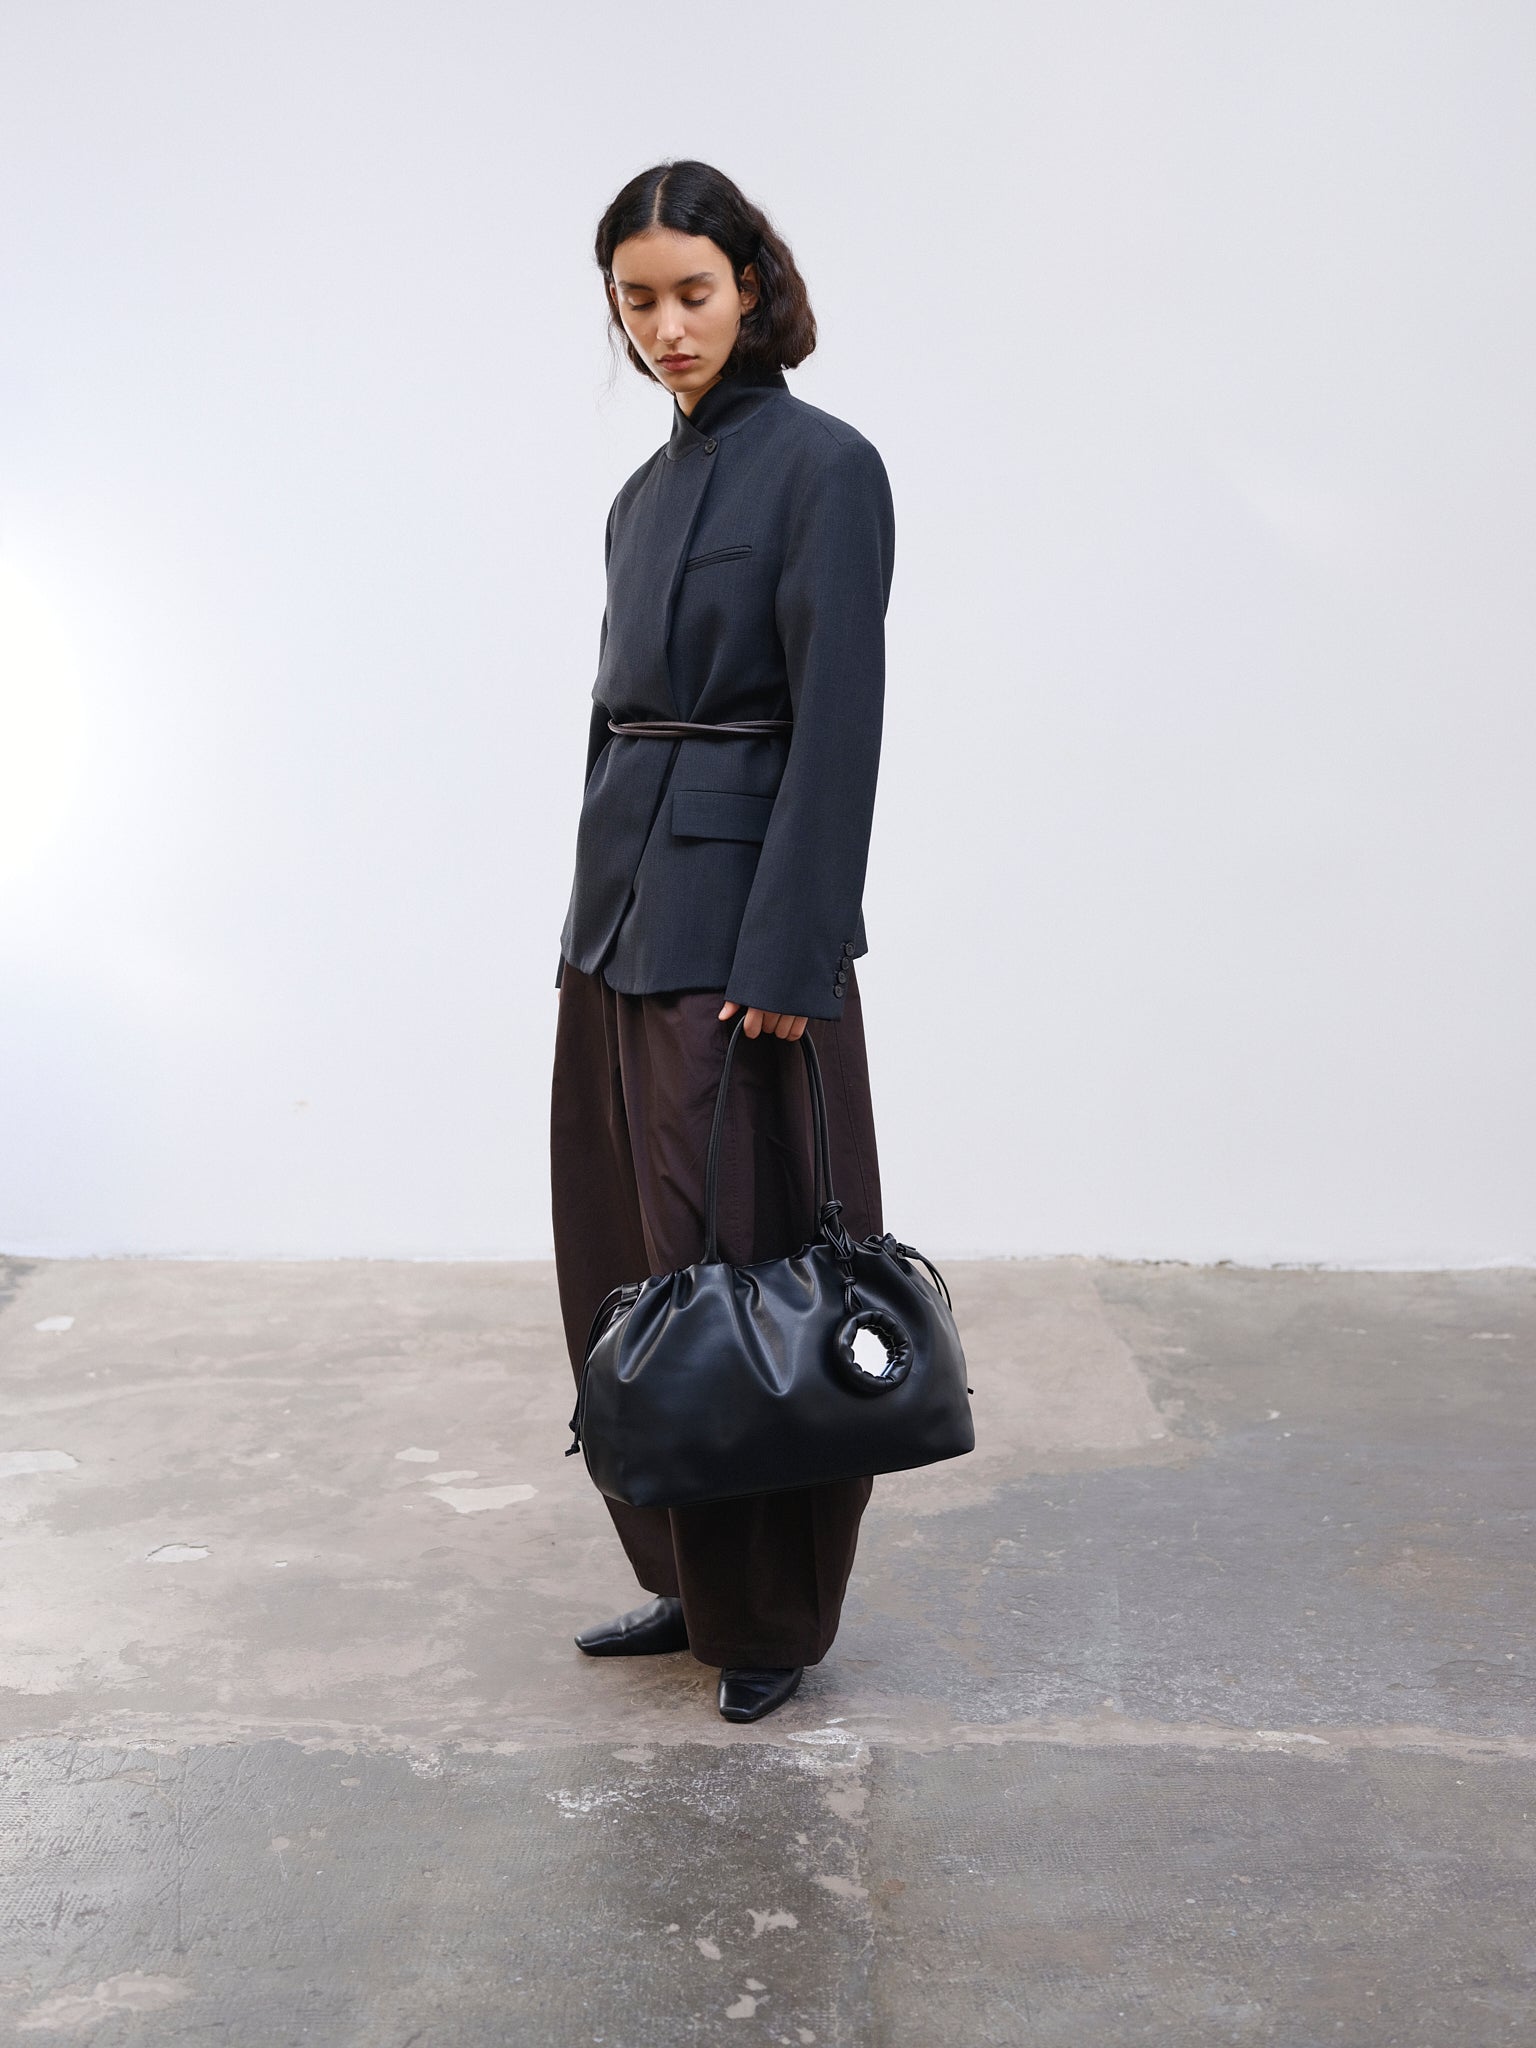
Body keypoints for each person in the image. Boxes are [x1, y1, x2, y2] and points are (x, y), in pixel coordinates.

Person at [549, 159, 894, 1724]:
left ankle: (770, 1620)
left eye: (694, 292)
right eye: (639, 301)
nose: (667, 327)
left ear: (751, 285)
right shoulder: (638, 498)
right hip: (617, 925)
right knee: (626, 1266)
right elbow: (614, 719)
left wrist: (793, 954)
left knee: (749, 1277)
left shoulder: (828, 468)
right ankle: (686, 1578)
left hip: (745, 936)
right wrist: (582, 924)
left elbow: (840, 721)